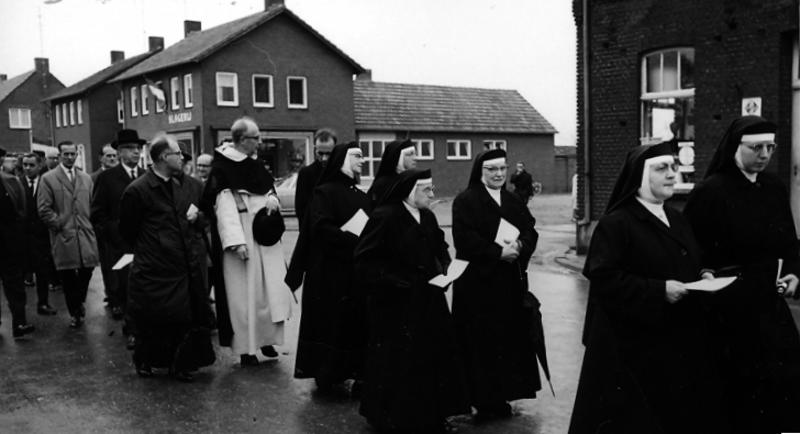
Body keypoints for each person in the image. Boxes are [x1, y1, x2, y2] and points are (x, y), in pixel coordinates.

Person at [569, 142, 729, 434]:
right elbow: (604, 278)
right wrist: (658, 290)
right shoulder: (616, 223)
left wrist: (704, 273)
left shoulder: (677, 217)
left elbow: (692, 258)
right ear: (640, 176)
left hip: (676, 339)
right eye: (661, 168)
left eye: (673, 167)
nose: (671, 174)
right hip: (633, 346)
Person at [683, 115, 800, 433]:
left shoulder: (774, 187)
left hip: (769, 302)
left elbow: (789, 242)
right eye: (756, 147)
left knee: (783, 380)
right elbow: (691, 247)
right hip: (727, 306)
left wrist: (794, 273)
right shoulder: (710, 191)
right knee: (735, 387)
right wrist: (704, 272)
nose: (764, 154)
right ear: (736, 147)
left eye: (770, 147)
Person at [355, 168, 469, 433]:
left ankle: (433, 414)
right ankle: (391, 417)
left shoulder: (427, 216)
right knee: (397, 361)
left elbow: (440, 247)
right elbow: (365, 260)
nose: (432, 194)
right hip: (396, 303)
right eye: (426, 189)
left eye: (432, 188)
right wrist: (397, 281)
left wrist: (446, 268)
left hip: (429, 298)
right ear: (409, 192)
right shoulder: (385, 216)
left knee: (432, 357)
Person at [451, 149, 540, 419]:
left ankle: (502, 397)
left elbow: (530, 229)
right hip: (478, 285)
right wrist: (497, 253)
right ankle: (481, 401)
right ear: (480, 171)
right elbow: (464, 239)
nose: (499, 174)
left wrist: (521, 246)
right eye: (492, 169)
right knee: (481, 344)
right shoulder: (465, 201)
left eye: (502, 168)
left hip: (508, 284)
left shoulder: (513, 200)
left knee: (507, 342)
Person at [119, 134, 215, 381]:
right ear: (163, 157)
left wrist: (198, 219)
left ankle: (180, 364)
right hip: (155, 266)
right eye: (178, 154)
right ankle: (146, 360)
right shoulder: (138, 190)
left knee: (184, 317)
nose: (182, 158)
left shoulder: (185, 186)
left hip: (184, 264)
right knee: (154, 317)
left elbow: (204, 219)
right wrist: (154, 247)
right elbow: (128, 231)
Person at [202, 117, 293, 366]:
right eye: (255, 138)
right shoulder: (222, 168)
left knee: (268, 293)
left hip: (263, 235)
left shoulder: (256, 164)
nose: (259, 142)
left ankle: (267, 340)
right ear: (242, 140)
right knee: (244, 296)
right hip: (243, 237)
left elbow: (268, 189)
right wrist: (236, 241)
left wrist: (273, 199)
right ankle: (247, 349)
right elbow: (224, 207)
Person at [286, 141, 370, 391]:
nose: (362, 160)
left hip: (353, 269)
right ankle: (327, 373)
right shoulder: (324, 192)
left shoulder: (362, 195)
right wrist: (351, 238)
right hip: (329, 271)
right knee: (330, 323)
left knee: (351, 322)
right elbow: (320, 227)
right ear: (342, 160)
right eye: (357, 156)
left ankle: (353, 371)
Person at [38, 141, 99, 329]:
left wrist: (91, 224)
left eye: (73, 154)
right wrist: (59, 224)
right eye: (66, 154)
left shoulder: (86, 178)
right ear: (59, 156)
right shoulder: (49, 179)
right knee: (68, 276)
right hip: (64, 235)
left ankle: (78, 302)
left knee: (87, 269)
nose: (70, 157)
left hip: (85, 233)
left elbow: (92, 205)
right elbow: (44, 208)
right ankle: (75, 313)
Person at [91, 129, 145, 332]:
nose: (136, 152)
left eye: (138, 148)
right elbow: (98, 213)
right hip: (119, 244)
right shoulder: (107, 178)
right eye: (130, 148)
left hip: (144, 243)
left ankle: (141, 327)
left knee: (143, 285)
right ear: (120, 152)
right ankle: (130, 329)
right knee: (123, 283)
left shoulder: (146, 175)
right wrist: (113, 235)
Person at [19, 153, 56, 316]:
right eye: (25, 165)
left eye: (31, 165)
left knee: (43, 272)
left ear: (40, 166)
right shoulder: (17, 183)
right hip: (23, 236)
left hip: (42, 235)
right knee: (21, 273)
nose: (27, 168)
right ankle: (20, 309)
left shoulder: (46, 183)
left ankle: (43, 303)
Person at [0, 169, 35, 338]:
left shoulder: (11, 182)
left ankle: (19, 323)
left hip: (9, 243)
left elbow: (21, 210)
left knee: (15, 284)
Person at [294, 128, 336, 223]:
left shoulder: (340, 173)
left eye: (328, 154)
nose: (324, 158)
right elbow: (301, 209)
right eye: (320, 153)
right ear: (315, 150)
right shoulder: (305, 174)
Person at [365, 139, 417, 206]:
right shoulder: (383, 185)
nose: (415, 158)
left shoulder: (414, 180)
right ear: (398, 158)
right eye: (409, 154)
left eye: (415, 154)